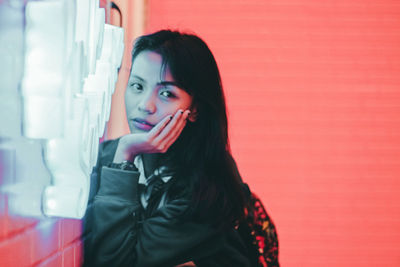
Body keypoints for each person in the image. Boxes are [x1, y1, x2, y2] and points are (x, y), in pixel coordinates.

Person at [83, 29, 278, 267]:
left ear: (195, 109)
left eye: (166, 93)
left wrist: (125, 158)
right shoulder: (104, 157)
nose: (145, 105)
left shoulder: (208, 187)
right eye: (137, 86)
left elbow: (113, 263)